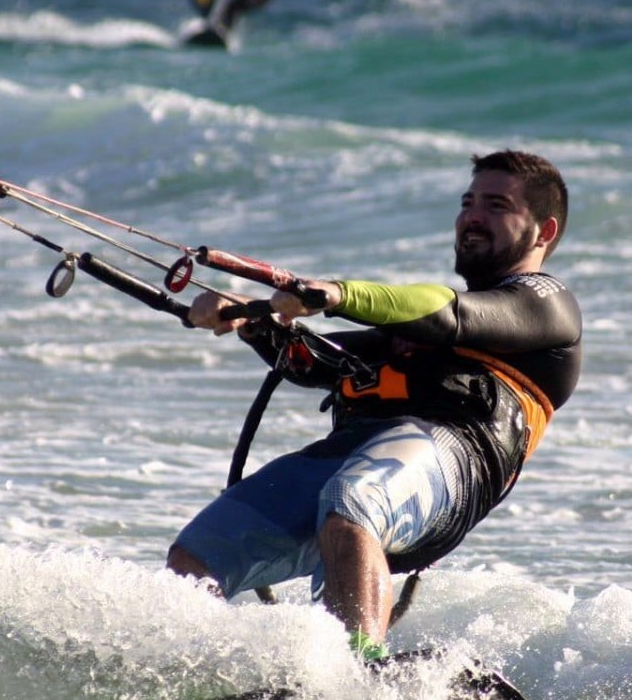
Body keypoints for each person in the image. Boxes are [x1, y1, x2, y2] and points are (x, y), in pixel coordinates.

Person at [168, 150, 583, 661]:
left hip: (451, 463)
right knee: (199, 551)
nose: (472, 216)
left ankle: (361, 669)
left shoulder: (547, 306)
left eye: (496, 205)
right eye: (468, 202)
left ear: (543, 232)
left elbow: (449, 313)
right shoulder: (414, 330)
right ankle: (189, 672)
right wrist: (250, 322)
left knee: (353, 500)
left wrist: (339, 294)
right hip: (353, 449)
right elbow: (313, 363)